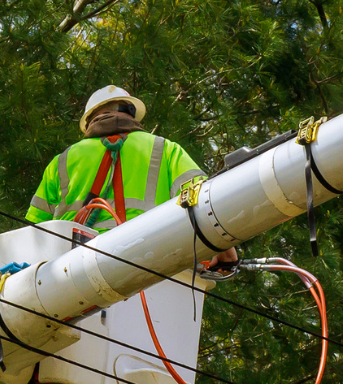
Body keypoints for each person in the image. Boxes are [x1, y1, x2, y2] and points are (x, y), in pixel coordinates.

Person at [25, 86, 236, 267]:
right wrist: (224, 251)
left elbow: (31, 236)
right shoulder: (165, 149)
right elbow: (204, 203)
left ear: (90, 120)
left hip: (71, 275)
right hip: (146, 265)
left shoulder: (62, 161)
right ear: (130, 112)